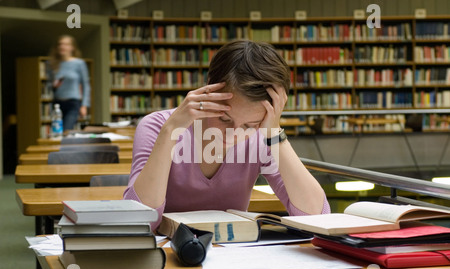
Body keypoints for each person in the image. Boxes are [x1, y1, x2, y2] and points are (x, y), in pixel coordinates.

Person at [124, 40, 330, 230]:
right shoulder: (157, 126)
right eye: (224, 119)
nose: (233, 134)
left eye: (250, 124)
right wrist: (170, 132)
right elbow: (141, 221)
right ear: (209, 88)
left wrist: (274, 134)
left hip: (233, 258)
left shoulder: (262, 137)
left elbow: (316, 216)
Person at [48, 34, 91, 132]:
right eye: (60, 44)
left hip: (72, 103)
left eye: (66, 44)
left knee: (67, 130)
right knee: (56, 131)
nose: (62, 46)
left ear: (72, 47)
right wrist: (54, 85)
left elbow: (86, 85)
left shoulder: (79, 64)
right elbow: (50, 86)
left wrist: (84, 105)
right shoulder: (52, 64)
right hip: (57, 103)